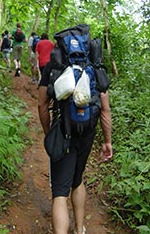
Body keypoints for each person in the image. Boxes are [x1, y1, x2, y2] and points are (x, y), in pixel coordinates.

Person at [38, 60, 112, 234]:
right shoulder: (94, 65)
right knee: (77, 179)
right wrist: (107, 141)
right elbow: (105, 109)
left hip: (63, 131)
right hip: (87, 132)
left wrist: (49, 132)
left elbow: (42, 103)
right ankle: (79, 229)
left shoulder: (54, 64)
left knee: (60, 192)